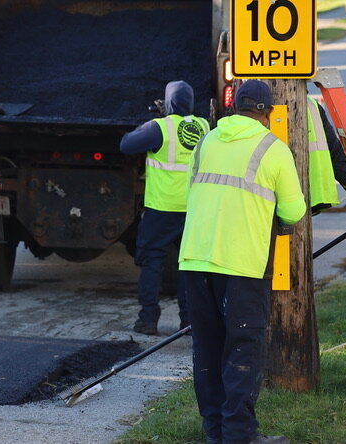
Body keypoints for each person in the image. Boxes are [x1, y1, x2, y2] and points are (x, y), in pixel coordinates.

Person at [179, 79, 305, 444]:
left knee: (207, 347)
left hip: (196, 259)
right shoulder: (273, 148)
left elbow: (193, 192)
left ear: (233, 106)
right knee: (243, 347)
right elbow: (294, 211)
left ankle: (215, 432)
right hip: (243, 264)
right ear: (266, 112)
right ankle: (239, 434)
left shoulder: (206, 141)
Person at [120, 80, 209, 336]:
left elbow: (126, 145)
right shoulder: (203, 125)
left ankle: (148, 320)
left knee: (152, 262)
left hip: (161, 210)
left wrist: (153, 121)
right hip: (193, 208)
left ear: (168, 103)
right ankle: (188, 322)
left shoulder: (159, 127)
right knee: (188, 267)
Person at [306, 95, 346, 213]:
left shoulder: (311, 106)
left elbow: (334, 152)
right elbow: (335, 153)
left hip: (297, 198)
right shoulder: (311, 105)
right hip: (308, 196)